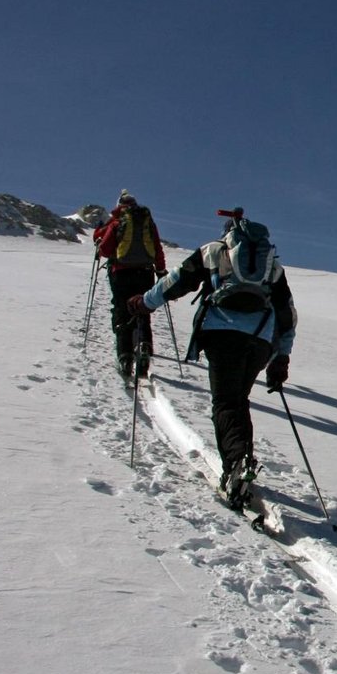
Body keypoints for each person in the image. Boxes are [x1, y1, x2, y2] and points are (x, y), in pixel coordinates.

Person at [127, 210, 295, 507]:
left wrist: (145, 303)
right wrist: (281, 358)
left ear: (227, 233)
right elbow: (287, 315)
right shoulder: (273, 266)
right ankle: (241, 460)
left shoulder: (214, 251)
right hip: (261, 340)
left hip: (223, 333)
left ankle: (236, 464)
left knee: (226, 402)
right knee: (238, 400)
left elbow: (177, 281)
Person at [93, 190, 167, 377]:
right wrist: (160, 270)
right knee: (143, 308)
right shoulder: (147, 222)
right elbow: (157, 247)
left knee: (123, 311)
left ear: (119, 205)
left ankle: (125, 357)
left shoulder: (117, 222)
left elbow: (105, 249)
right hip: (145, 272)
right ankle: (144, 345)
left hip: (121, 272)